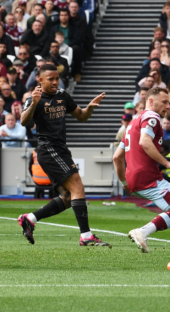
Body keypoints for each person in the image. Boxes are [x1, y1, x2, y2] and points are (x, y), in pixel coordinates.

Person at [17, 64, 110, 247]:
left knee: (68, 198)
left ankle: (30, 218)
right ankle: (86, 236)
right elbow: (23, 121)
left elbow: (81, 116)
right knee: (78, 186)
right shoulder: (34, 98)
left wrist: (90, 107)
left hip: (60, 149)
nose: (54, 81)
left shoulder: (62, 96)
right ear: (40, 80)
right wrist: (34, 103)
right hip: (48, 149)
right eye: (50, 78)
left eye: (57, 78)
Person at [113, 88, 170, 253]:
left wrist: (124, 183)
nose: (168, 106)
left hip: (135, 179)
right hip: (148, 178)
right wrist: (167, 163)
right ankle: (142, 232)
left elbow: (117, 157)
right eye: (164, 102)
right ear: (151, 101)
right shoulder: (152, 117)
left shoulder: (133, 123)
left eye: (169, 103)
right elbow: (145, 142)